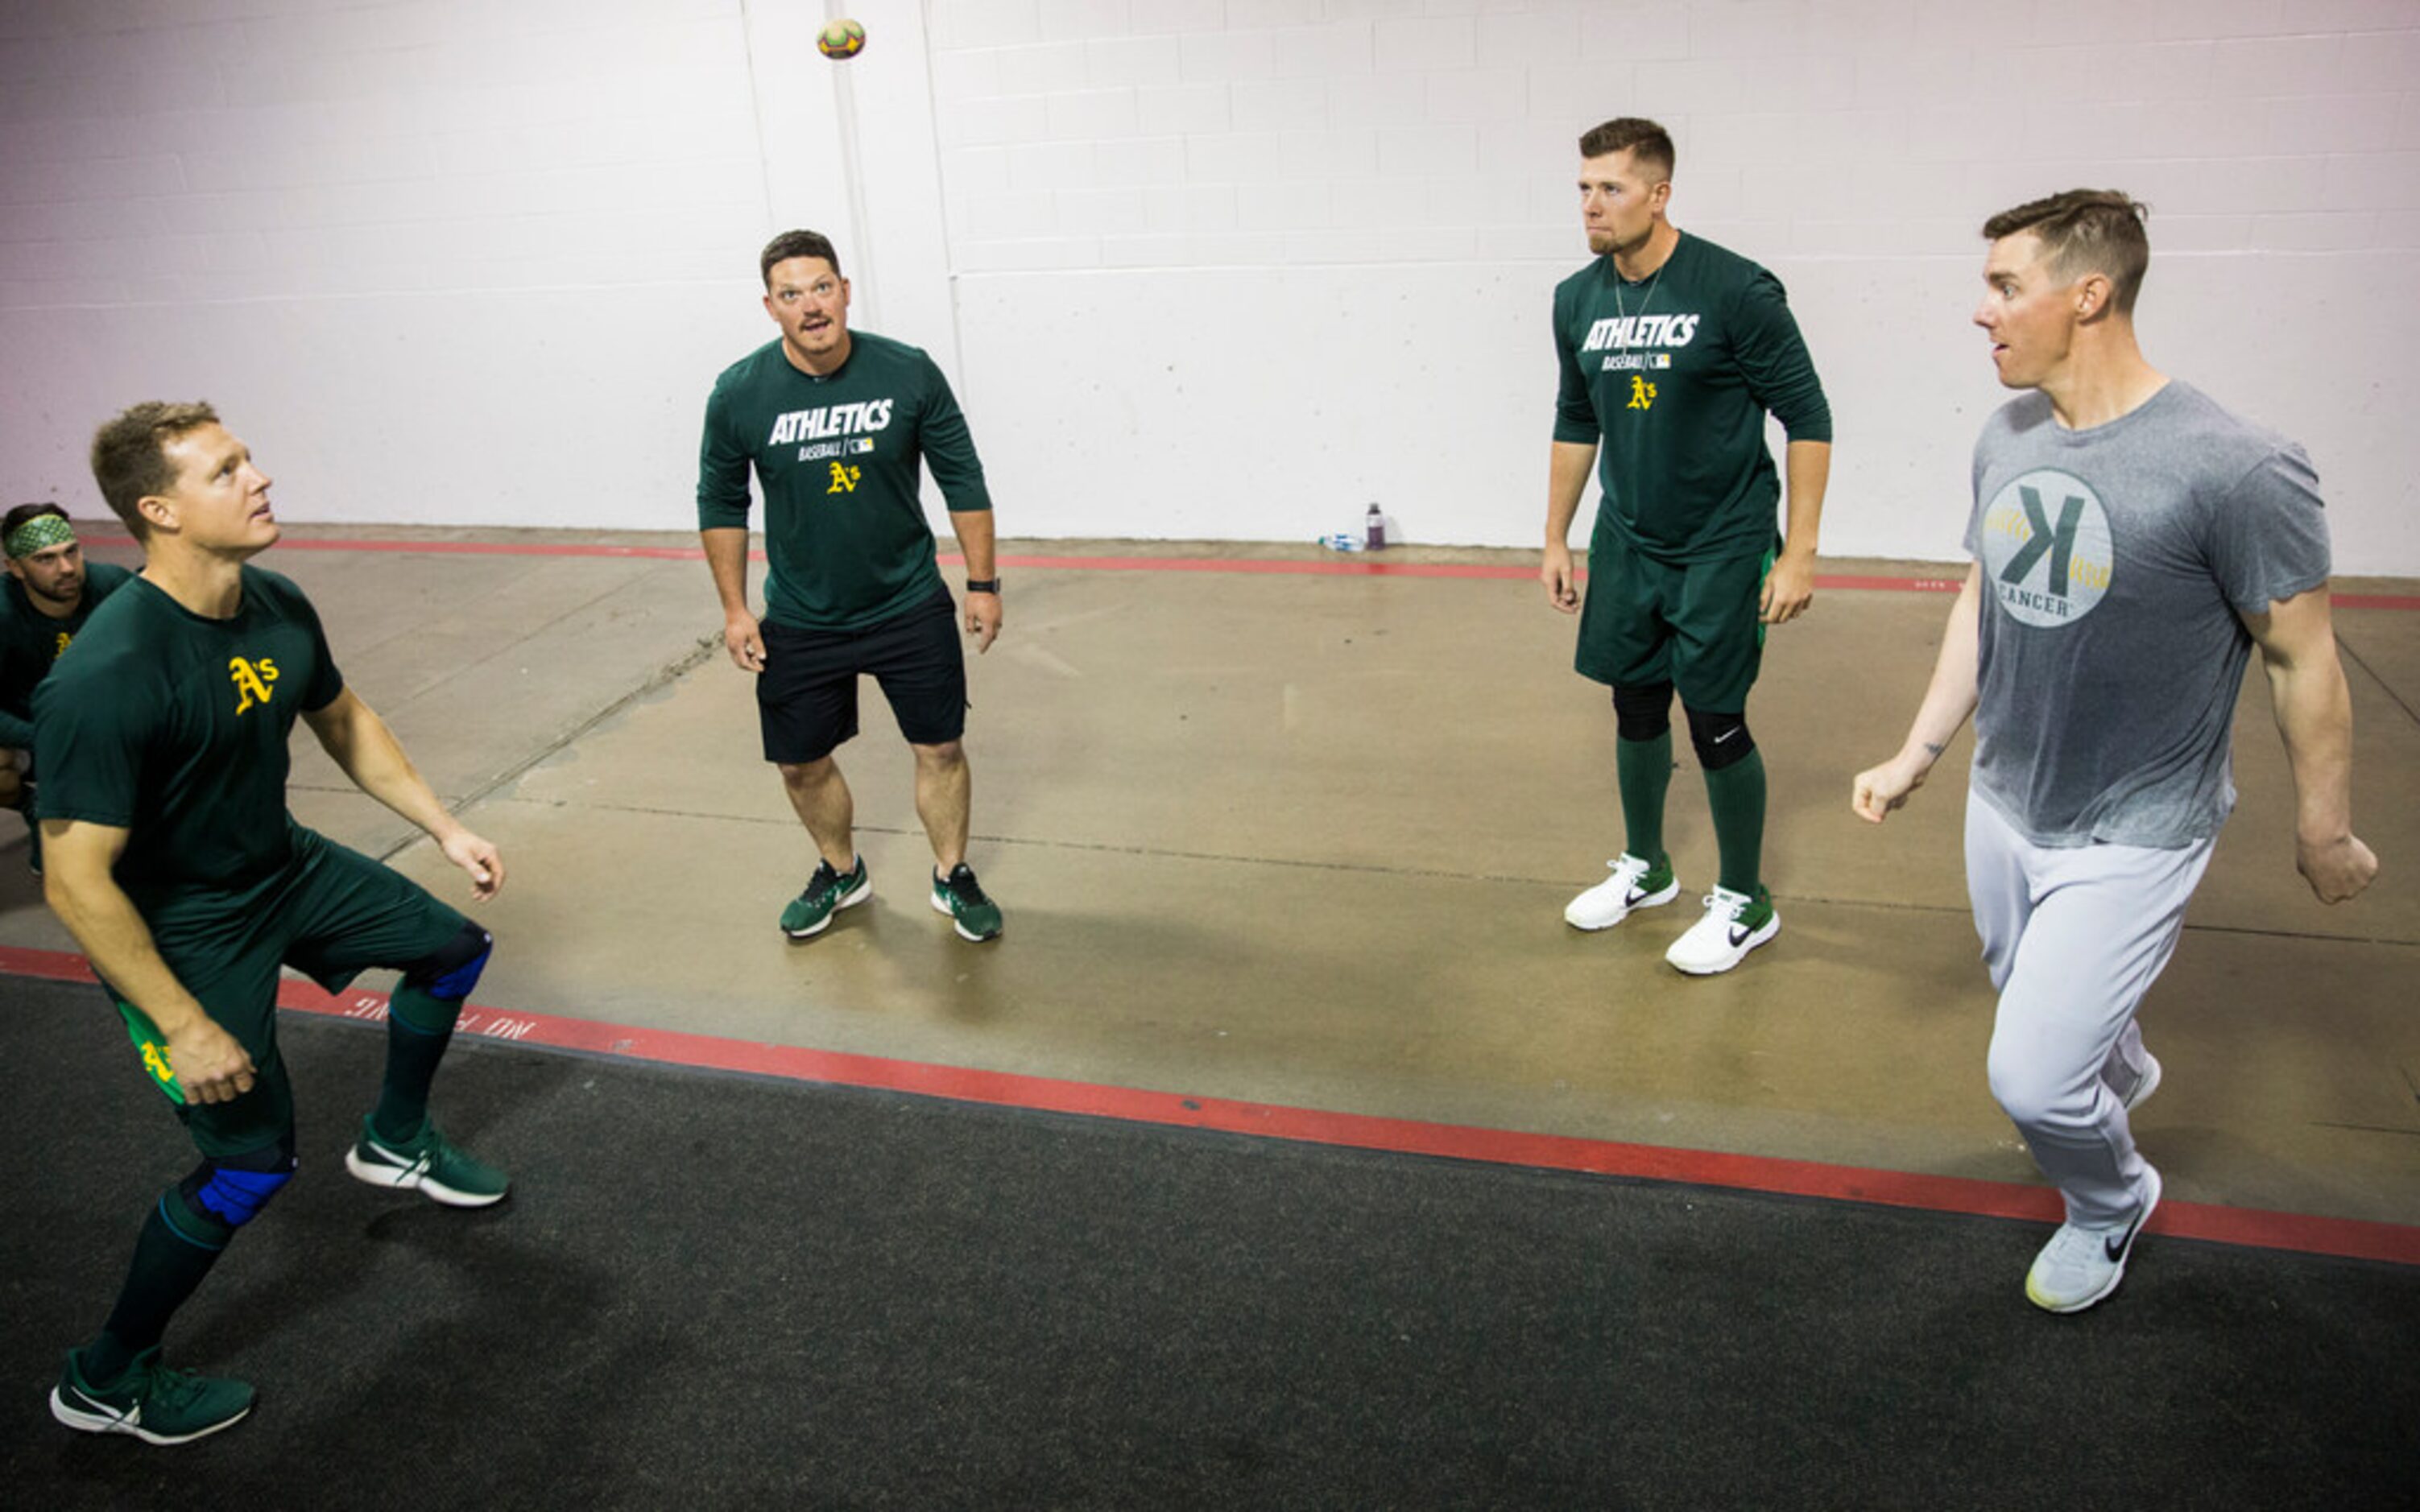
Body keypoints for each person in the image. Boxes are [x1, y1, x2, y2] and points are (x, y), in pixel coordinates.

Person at [1851, 191, 2377, 1313]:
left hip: (2135, 823)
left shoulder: (2235, 466)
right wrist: (1920, 750)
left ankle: (2111, 1197)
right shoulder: (2007, 434)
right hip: (2005, 799)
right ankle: (2114, 1058)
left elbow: (2304, 661)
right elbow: (1983, 595)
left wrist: (2322, 825)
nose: (1979, 310)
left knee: (2032, 1078)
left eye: (2004, 286)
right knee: (2039, 1014)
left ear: (2087, 295)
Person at [38, 402, 511, 1443]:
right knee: (251, 1164)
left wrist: (442, 825)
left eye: (248, 458)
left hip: (277, 864)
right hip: (183, 926)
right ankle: (105, 1376)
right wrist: (179, 1020)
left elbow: (341, 715)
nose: (258, 478)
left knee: (450, 948)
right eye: (225, 470)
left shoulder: (276, 601)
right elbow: (75, 882)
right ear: (159, 510)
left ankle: (394, 1138)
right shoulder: (107, 675)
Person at [1542, 118, 1834, 975]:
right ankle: (1648, 868)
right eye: (1584, 189)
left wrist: (1800, 553)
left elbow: (1807, 417)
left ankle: (1745, 901)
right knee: (1633, 706)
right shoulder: (1576, 298)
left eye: (1611, 189)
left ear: (1659, 193)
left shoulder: (1734, 289)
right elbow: (1574, 417)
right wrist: (1555, 536)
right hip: (1627, 539)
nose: (1591, 206)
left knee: (1712, 719)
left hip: (1721, 539)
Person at [697, 229, 1005, 944]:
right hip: (803, 614)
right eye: (791, 293)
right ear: (770, 307)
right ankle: (841, 870)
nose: (810, 305)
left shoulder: (907, 371)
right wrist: (736, 609)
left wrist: (982, 582)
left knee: (940, 750)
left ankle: (951, 873)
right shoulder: (739, 392)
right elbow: (720, 502)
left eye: (821, 287)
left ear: (845, 291)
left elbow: (962, 476)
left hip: (907, 601)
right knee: (800, 762)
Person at [0, 502, 136, 872]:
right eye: (45, 559)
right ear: (15, 568)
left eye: (71, 552)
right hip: (32, 733)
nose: (66, 569)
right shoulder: (3, 613)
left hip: (104, 727)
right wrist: (44, 737)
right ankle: (36, 806)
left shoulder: (115, 587)